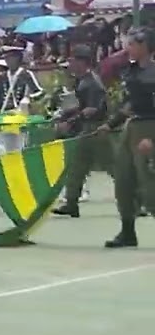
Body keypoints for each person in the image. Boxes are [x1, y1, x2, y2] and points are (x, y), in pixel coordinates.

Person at [104, 29, 155, 248]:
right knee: (123, 181)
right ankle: (127, 232)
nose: (128, 49)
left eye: (132, 45)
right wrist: (110, 124)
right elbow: (129, 104)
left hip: (150, 127)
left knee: (149, 185)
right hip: (132, 127)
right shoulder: (131, 72)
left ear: (145, 46)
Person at [53, 46, 110, 218]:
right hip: (88, 128)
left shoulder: (92, 82)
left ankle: (138, 202)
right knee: (77, 166)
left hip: (96, 128)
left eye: (72, 60)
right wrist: (66, 113)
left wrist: (70, 122)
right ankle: (71, 202)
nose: (70, 64)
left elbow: (91, 109)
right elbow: (83, 106)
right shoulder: (83, 80)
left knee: (115, 166)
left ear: (82, 62)